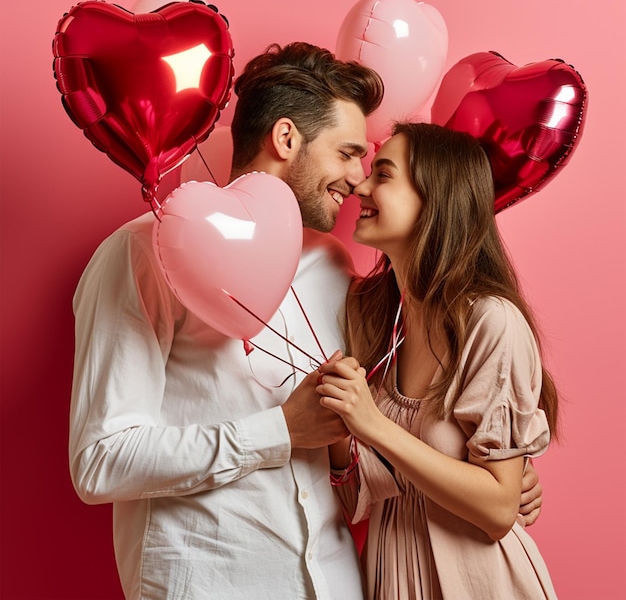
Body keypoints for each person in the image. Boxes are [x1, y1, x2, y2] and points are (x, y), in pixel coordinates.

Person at [69, 43, 542, 600]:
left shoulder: (334, 268)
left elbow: (386, 425)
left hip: (340, 582)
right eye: (346, 153)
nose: (357, 178)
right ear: (287, 138)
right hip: (210, 581)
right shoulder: (141, 254)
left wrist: (499, 479)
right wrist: (278, 432)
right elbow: (100, 462)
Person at [317, 122, 559, 599]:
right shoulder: (372, 315)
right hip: (391, 580)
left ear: (435, 198)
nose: (359, 186)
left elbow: (497, 510)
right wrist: (341, 431)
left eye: (382, 174)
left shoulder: (490, 322)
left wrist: (373, 424)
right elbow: (356, 499)